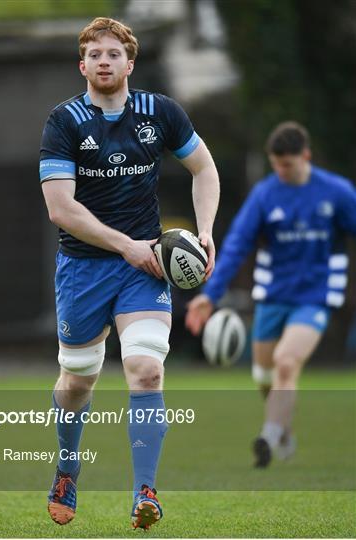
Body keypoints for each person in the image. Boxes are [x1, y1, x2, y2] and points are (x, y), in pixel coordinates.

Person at [39, 17, 220, 529]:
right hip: (84, 268)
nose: (103, 60)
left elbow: (204, 169)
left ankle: (146, 491)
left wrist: (204, 231)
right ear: (82, 64)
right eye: (94, 53)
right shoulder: (65, 121)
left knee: (146, 369)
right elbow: (60, 208)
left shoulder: (160, 112)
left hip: (145, 270)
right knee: (79, 379)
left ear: (129, 63)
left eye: (113, 53)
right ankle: (68, 467)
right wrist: (126, 247)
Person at [185, 121, 356, 467]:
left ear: (304, 156)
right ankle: (282, 430)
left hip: (315, 298)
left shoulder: (336, 193)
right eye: (275, 164)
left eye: (287, 164)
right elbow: (235, 245)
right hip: (272, 296)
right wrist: (210, 294)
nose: (280, 171)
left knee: (287, 362)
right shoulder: (265, 194)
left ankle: (266, 435)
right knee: (264, 376)